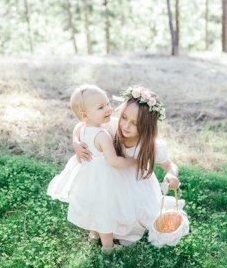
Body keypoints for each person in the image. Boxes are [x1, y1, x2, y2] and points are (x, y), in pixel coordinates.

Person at [74, 85, 189, 247]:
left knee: (134, 221)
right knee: (105, 207)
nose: (126, 126)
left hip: (136, 189)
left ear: (146, 126)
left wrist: (171, 175)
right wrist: (76, 142)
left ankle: (117, 230)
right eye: (124, 118)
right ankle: (105, 230)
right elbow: (82, 124)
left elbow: (170, 165)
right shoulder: (112, 127)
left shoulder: (151, 146)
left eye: (134, 123)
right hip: (110, 185)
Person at [47, 84, 137, 252]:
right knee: (105, 209)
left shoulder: (82, 128)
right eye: (101, 107)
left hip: (88, 177)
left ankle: (94, 233)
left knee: (94, 205)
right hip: (103, 178)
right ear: (85, 115)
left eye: (108, 103)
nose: (108, 109)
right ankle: (108, 247)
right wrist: (132, 161)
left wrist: (75, 140)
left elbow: (77, 127)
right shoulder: (101, 135)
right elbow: (113, 161)